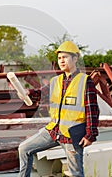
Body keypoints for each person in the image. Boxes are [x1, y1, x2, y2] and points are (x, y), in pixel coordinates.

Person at [18, 41, 99, 177]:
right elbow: (40, 93)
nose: (61, 60)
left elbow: (92, 111)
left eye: (65, 57)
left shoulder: (85, 81)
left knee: (76, 173)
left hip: (72, 136)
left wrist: (90, 135)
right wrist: (28, 93)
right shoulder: (56, 81)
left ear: (75, 58)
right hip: (53, 130)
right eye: (59, 58)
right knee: (24, 148)